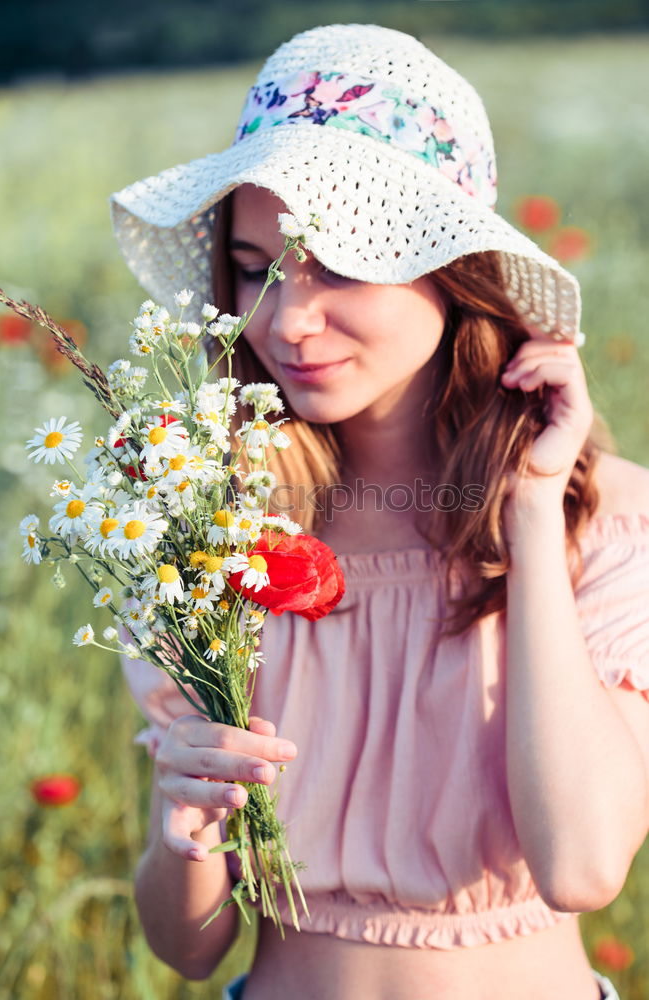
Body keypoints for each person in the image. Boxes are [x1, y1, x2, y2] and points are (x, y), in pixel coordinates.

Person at [110, 23, 649, 1000]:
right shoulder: (215, 537)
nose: (285, 318)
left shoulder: (600, 522)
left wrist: (527, 509)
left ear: (451, 268)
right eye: (253, 267)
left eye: (340, 265)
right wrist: (181, 825)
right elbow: (186, 945)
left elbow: (579, 864)